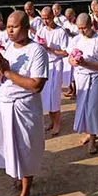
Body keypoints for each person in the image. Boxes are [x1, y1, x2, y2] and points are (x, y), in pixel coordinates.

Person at [0, 10, 48, 196]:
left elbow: (35, 85)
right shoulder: (3, 49)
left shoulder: (37, 51)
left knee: (26, 148)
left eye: (15, 27)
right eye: (8, 26)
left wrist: (7, 72)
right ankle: (18, 176)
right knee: (8, 146)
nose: (10, 30)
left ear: (26, 27)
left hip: (25, 106)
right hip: (5, 104)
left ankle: (26, 191)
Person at [68, 13, 98, 154]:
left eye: (84, 28)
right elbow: (69, 57)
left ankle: (93, 139)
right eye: (79, 28)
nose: (81, 31)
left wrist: (86, 63)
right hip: (80, 78)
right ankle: (88, 132)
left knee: (93, 107)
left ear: (90, 25)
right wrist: (73, 61)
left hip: (95, 78)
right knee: (83, 106)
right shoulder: (76, 39)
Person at [37, 7, 69, 136]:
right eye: (43, 18)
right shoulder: (41, 30)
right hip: (45, 66)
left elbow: (65, 52)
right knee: (45, 95)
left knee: (54, 95)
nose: (45, 21)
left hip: (56, 65)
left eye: (48, 18)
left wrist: (49, 48)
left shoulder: (60, 32)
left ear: (53, 17)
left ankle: (57, 123)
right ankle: (51, 120)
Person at [62, 8, 79, 99]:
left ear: (74, 15)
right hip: (67, 50)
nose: (68, 19)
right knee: (67, 72)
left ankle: (75, 91)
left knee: (74, 73)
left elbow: (80, 36)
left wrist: (71, 33)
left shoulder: (77, 25)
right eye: (67, 17)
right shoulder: (65, 24)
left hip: (75, 51)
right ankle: (70, 88)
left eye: (70, 17)